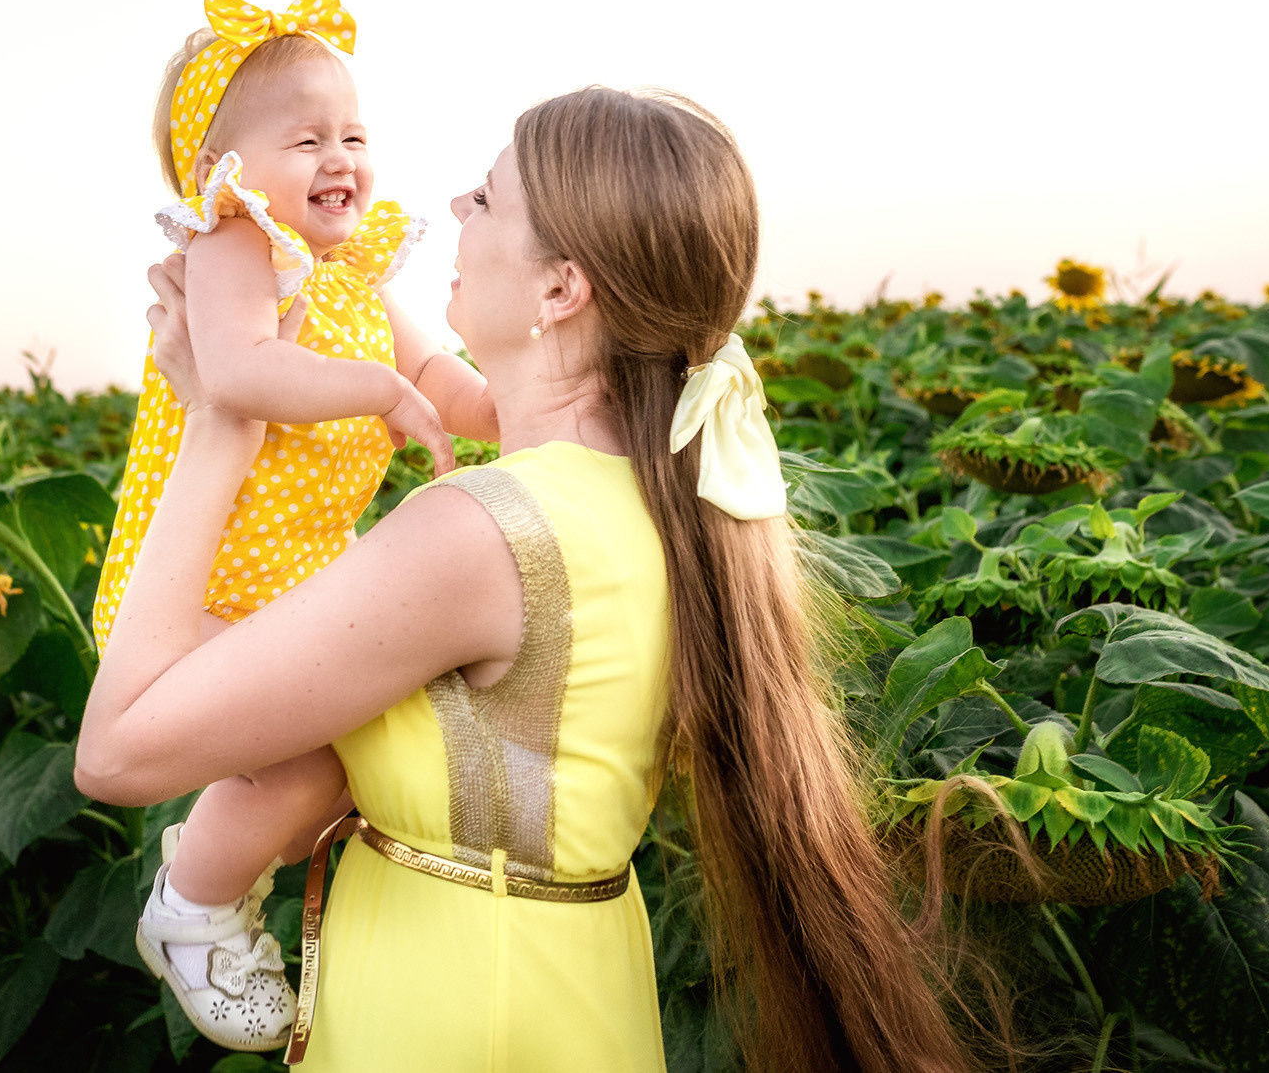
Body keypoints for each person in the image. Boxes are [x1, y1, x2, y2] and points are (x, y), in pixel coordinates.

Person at [77, 87, 972, 1071]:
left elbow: (115, 755)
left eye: (488, 199)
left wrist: (219, 426)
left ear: (560, 289)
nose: (454, 208)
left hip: (448, 1021)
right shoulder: (659, 501)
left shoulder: (478, 533)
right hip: (574, 999)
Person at [90, 0, 499, 1050]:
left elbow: (441, 378)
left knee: (350, 753)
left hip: (293, 588)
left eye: (353, 135)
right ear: (220, 172)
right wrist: (377, 390)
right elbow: (236, 371)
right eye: (306, 139)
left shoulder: (353, 274)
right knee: (310, 759)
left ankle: (232, 876)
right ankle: (193, 904)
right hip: (200, 587)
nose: (339, 159)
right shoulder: (235, 247)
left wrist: (516, 409)